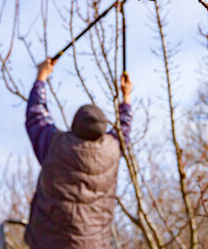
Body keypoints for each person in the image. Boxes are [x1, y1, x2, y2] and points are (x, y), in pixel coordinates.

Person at [23, 57, 133, 249]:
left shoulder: (54, 144)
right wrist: (126, 97)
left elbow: (36, 113)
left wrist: (41, 77)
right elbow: (124, 127)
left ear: (74, 125)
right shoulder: (112, 149)